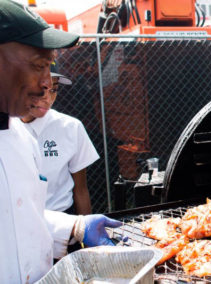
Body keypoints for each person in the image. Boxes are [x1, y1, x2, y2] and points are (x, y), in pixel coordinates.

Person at [0, 1, 121, 283]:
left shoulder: (21, 137)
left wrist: (76, 226)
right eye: (39, 66)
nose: (46, 83)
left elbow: (19, 218)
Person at [21, 62, 99, 215]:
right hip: (19, 224)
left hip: (64, 218)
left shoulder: (70, 127)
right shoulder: (8, 129)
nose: (48, 98)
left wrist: (84, 230)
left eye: (54, 89)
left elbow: (81, 189)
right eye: (42, 88)